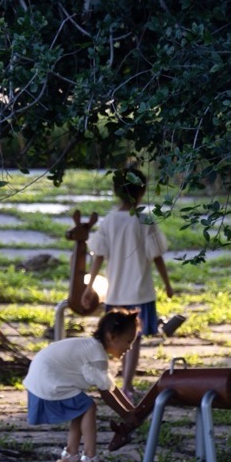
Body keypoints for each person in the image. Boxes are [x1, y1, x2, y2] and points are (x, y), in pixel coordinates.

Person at [87, 165, 173, 398]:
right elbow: (157, 257)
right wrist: (167, 284)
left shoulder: (109, 221)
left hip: (115, 293)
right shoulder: (145, 220)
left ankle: (111, 382)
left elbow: (98, 256)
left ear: (116, 191)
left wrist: (89, 285)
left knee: (112, 338)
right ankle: (127, 385)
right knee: (133, 340)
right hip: (141, 293)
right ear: (142, 190)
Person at [24, 308, 141, 462]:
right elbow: (106, 392)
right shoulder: (97, 355)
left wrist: (130, 409)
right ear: (111, 336)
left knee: (80, 407)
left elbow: (110, 385)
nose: (129, 348)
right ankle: (90, 457)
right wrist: (127, 415)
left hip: (40, 380)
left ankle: (70, 455)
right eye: (128, 341)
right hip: (48, 381)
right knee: (88, 407)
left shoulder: (92, 348)